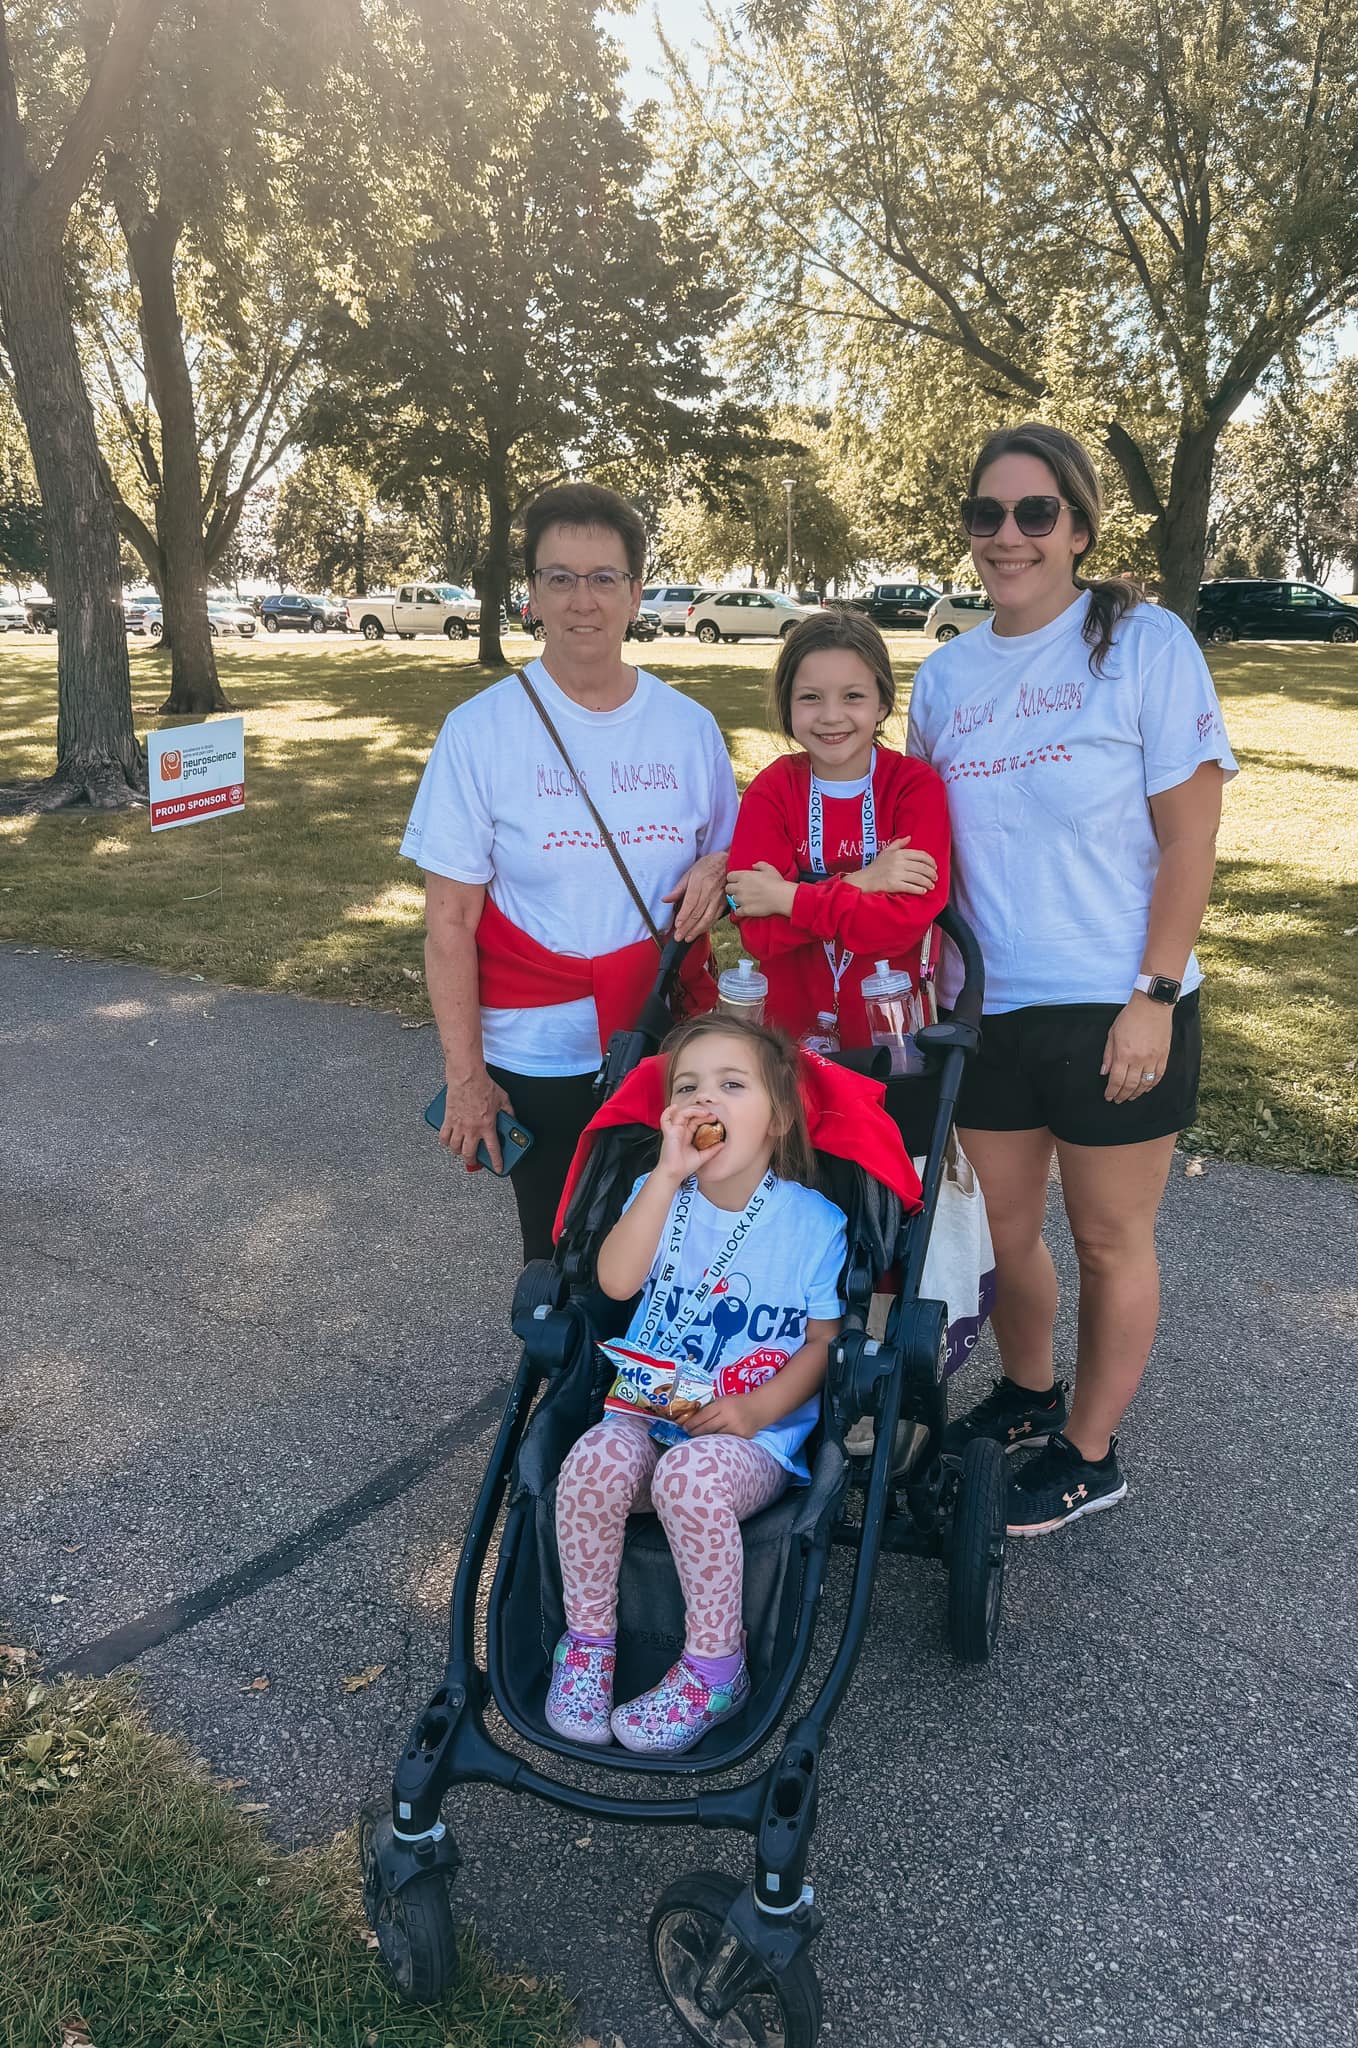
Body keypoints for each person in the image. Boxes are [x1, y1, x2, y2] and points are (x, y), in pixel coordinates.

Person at [907, 422, 1238, 1538]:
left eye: (1035, 513)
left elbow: (1190, 839)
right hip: (986, 1006)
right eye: (986, 515)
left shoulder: (1143, 644)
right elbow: (929, 850)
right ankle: (1028, 1389)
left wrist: (1153, 990)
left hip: (1115, 1003)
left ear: (1080, 526)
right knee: (1000, 1234)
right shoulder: (946, 677)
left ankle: (1092, 1451)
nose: (1009, 536)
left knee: (1106, 1237)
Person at [401, 483, 736, 1264]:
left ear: (635, 594)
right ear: (532, 596)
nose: (582, 600)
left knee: (675, 1240)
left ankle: (648, 1386)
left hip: (662, 1033)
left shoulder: (690, 728)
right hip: (536, 1046)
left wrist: (721, 866)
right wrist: (466, 1077)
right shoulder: (479, 731)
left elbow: (730, 857)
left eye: (602, 577)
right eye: (560, 577)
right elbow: (449, 922)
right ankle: (564, 1375)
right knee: (555, 1246)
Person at [546, 1014, 847, 1755]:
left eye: (731, 1085)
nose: (705, 1100)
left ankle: (716, 1670)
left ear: (777, 1117)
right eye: (688, 1087)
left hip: (749, 1438)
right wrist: (667, 1176)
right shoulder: (660, 1192)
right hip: (647, 1413)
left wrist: (757, 1409)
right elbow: (616, 1280)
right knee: (591, 1462)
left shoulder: (814, 1223)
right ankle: (587, 1646)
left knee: (689, 1478)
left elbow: (824, 1345)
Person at [725, 609, 950, 1047]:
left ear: (882, 702)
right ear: (787, 704)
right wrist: (866, 881)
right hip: (788, 1043)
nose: (831, 716)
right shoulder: (771, 791)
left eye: (852, 697)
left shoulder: (914, 788)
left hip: (894, 1039)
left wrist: (789, 897)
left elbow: (902, 925)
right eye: (810, 697)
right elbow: (757, 932)